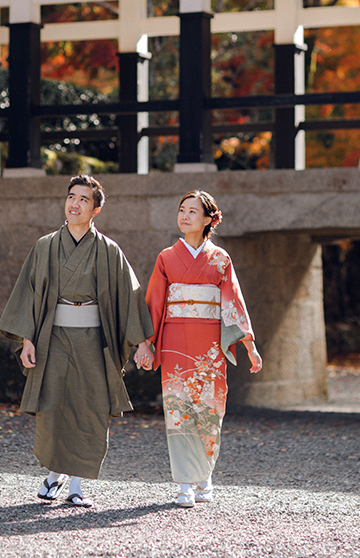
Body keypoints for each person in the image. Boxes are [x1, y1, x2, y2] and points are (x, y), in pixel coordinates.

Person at [0, 175, 151, 508]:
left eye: (83, 199)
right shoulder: (46, 246)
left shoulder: (109, 250)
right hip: (53, 337)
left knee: (90, 408)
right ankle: (54, 475)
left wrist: (141, 342)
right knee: (52, 406)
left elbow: (130, 296)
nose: (75, 204)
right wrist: (27, 340)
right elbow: (29, 294)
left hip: (94, 340)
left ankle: (77, 485)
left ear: (96, 209)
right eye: (71, 197)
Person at [134, 190, 262, 508]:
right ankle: (184, 484)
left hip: (209, 344)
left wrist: (249, 344)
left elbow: (233, 304)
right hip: (176, 340)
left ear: (208, 220)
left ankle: (203, 473)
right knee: (178, 409)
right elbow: (154, 304)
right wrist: (145, 344)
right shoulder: (166, 258)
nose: (185, 215)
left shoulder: (220, 260)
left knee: (208, 409)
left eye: (193, 211)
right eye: (182, 210)